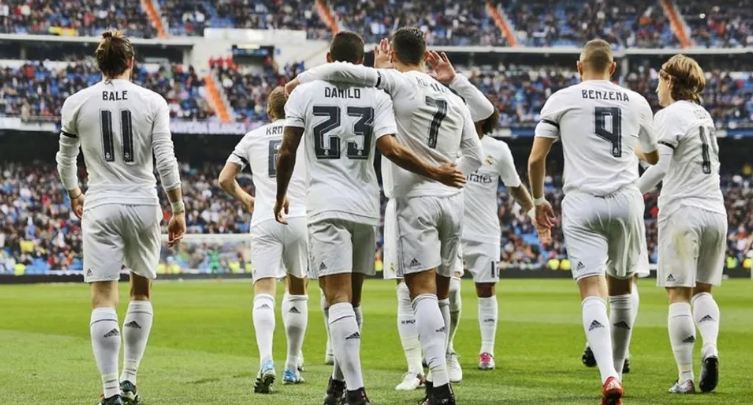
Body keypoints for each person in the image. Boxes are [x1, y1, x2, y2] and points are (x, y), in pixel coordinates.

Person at [285, 28, 484, 405]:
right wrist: (449, 175)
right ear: (425, 54)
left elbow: (344, 70)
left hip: (414, 199)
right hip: (452, 202)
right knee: (441, 294)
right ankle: (437, 372)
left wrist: (298, 80)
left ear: (393, 53)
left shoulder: (396, 83)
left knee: (420, 292)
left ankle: (440, 386)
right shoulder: (453, 98)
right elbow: (475, 154)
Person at [56, 31, 185, 405]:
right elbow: (165, 160)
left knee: (103, 298)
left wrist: (74, 193)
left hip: (101, 203)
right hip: (143, 203)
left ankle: (110, 390)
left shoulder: (77, 102)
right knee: (141, 291)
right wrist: (178, 208)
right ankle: (129, 378)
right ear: (131, 62)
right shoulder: (153, 101)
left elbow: (65, 160)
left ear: (100, 64)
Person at [527, 39, 658, 405]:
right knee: (622, 289)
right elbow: (652, 157)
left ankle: (608, 375)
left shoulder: (561, 99)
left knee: (590, 289)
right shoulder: (637, 101)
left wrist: (538, 201)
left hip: (582, 202)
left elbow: (536, 159)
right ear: (613, 68)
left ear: (578, 66)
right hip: (625, 200)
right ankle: (619, 368)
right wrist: (630, 147)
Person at [637, 54, 725, 394]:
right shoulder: (704, 115)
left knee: (678, 295)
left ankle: (686, 377)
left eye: (660, 78)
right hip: (715, 211)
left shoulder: (669, 114)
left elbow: (660, 167)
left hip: (683, 210)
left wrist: (630, 192)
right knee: (703, 291)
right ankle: (711, 347)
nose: (657, 86)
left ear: (670, 80)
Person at [217, 86, 308, 393]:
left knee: (264, 292)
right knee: (298, 290)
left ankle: (266, 360)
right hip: (299, 216)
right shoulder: (305, 135)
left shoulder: (253, 137)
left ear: (269, 112)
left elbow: (224, 178)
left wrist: (246, 198)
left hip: (265, 218)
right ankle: (292, 365)